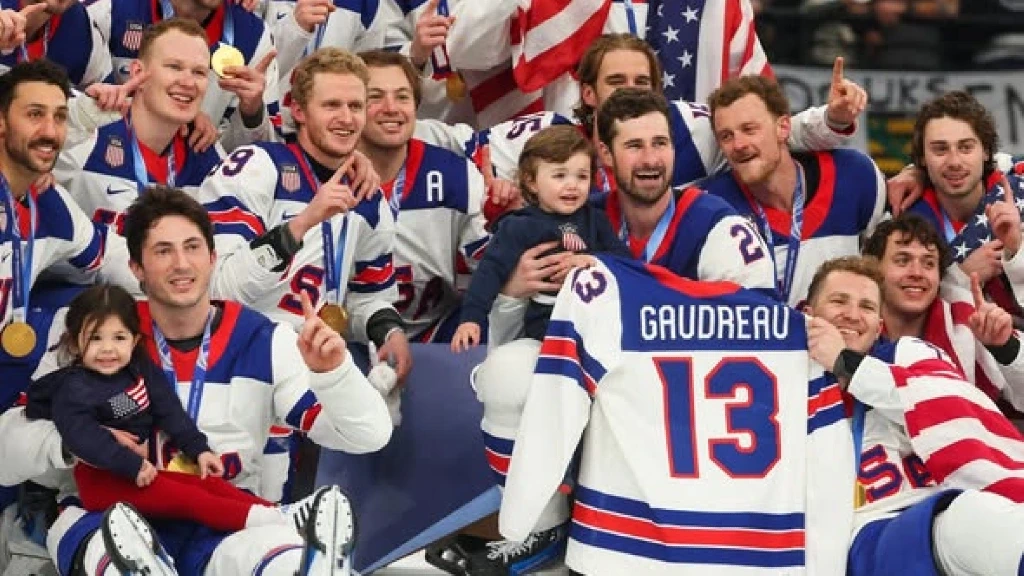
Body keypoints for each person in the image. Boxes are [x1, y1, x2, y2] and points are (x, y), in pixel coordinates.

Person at [454, 89, 779, 575]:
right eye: (633, 146)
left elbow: (761, 334)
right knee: (505, 373)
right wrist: (511, 293)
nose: (650, 159)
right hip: (590, 401)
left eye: (660, 143)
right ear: (604, 154)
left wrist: (632, 285)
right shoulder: (571, 212)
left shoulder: (717, 226)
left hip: (685, 422)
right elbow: (505, 338)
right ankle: (540, 525)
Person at [0, 185, 392, 576]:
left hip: (223, 522)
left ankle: (302, 546)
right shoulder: (92, 334)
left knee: (296, 565)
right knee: (115, 561)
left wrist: (335, 375)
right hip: (107, 516)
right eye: (163, 251)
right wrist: (72, 444)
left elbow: (369, 435)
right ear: (136, 267)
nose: (181, 264)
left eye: (192, 247)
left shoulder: (264, 340)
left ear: (212, 257)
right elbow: (4, 453)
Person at [497, 254, 854, 575]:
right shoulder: (804, 339)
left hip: (622, 550)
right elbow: (829, 472)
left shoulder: (608, 296)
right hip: (755, 557)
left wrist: (519, 517)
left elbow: (556, 399)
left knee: (508, 371)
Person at [25, 283, 337, 535]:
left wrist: (198, 449)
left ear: (134, 340)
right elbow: (84, 438)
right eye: (95, 338)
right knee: (192, 500)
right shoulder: (73, 387)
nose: (108, 348)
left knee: (208, 484)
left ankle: (280, 515)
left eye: (118, 337)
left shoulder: (136, 367)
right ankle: (273, 524)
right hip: (106, 481)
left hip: (144, 472)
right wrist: (129, 466)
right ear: (76, 344)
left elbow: (167, 408)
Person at [415, 33, 864, 192]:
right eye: (616, 83)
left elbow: (776, 135)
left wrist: (835, 117)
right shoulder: (547, 136)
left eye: (642, 83)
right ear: (588, 92)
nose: (631, 93)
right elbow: (455, 143)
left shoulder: (691, 127)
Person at [198, 47, 411, 379]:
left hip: (318, 365)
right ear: (297, 110)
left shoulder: (367, 195)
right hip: (241, 361)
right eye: (331, 105)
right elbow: (219, 290)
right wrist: (303, 223)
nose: (346, 118)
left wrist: (389, 331)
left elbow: (367, 296)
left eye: (355, 106)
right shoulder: (257, 165)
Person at [804, 255, 1024, 576]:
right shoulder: (783, 388)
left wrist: (844, 362)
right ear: (808, 314)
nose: (852, 315)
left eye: (866, 307)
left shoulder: (907, 354)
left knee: (973, 519)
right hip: (864, 535)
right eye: (839, 301)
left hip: (939, 512)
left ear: (880, 326)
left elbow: (926, 403)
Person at [703, 74, 886, 307]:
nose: (738, 145)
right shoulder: (713, 208)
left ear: (783, 127)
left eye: (749, 129)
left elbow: (892, 267)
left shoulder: (856, 177)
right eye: (726, 136)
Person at [451, 125, 628, 351]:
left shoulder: (596, 220)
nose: (572, 185)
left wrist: (592, 261)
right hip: (544, 326)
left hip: (595, 317)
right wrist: (471, 318)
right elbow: (488, 273)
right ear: (531, 182)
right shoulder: (518, 226)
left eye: (582, 176)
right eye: (559, 175)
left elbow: (625, 261)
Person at [356, 50, 489, 344]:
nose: (391, 108)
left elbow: (487, 273)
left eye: (402, 97)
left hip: (437, 334)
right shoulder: (323, 177)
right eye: (374, 97)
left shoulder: (456, 175)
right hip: (346, 342)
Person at [861, 214, 1024, 410]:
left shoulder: (970, 321)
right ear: (873, 270)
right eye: (902, 261)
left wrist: (1005, 347)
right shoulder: (852, 326)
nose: (917, 273)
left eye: (928, 263)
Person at [87, 0, 281, 151]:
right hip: (101, 160)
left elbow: (253, 162)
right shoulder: (112, 8)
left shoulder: (254, 36)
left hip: (191, 177)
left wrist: (252, 114)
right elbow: (66, 106)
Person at [902, 91, 1024, 316]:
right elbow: (896, 312)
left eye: (966, 147)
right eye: (940, 149)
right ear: (921, 158)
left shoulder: (1020, 199)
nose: (954, 162)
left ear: (986, 151)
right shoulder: (901, 221)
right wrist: (961, 277)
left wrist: (1016, 250)